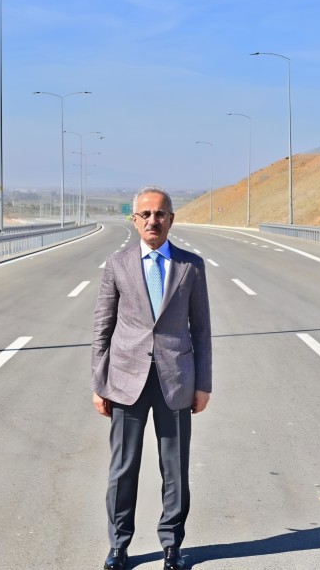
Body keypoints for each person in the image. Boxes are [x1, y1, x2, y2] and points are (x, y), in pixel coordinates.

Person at [91, 186, 212, 570]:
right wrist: (99, 383)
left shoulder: (192, 266)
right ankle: (118, 546)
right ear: (134, 220)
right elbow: (103, 327)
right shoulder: (117, 264)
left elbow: (202, 330)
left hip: (176, 381)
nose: (153, 221)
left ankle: (172, 546)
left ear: (171, 219)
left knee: (174, 469)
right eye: (145, 214)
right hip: (126, 381)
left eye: (160, 214)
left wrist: (203, 384)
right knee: (122, 469)